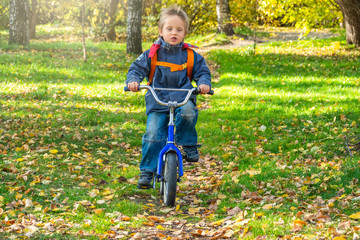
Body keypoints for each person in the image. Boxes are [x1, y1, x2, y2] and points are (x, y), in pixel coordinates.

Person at [126, 5, 212, 189]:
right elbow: (136, 68)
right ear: (160, 31)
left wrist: (204, 84)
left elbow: (202, 72)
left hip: (182, 97)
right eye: (169, 29)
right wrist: (133, 80)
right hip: (158, 100)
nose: (174, 33)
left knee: (188, 112)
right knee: (153, 133)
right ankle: (147, 171)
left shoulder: (190, 55)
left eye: (179, 30)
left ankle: (187, 143)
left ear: (185, 33)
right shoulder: (153, 53)